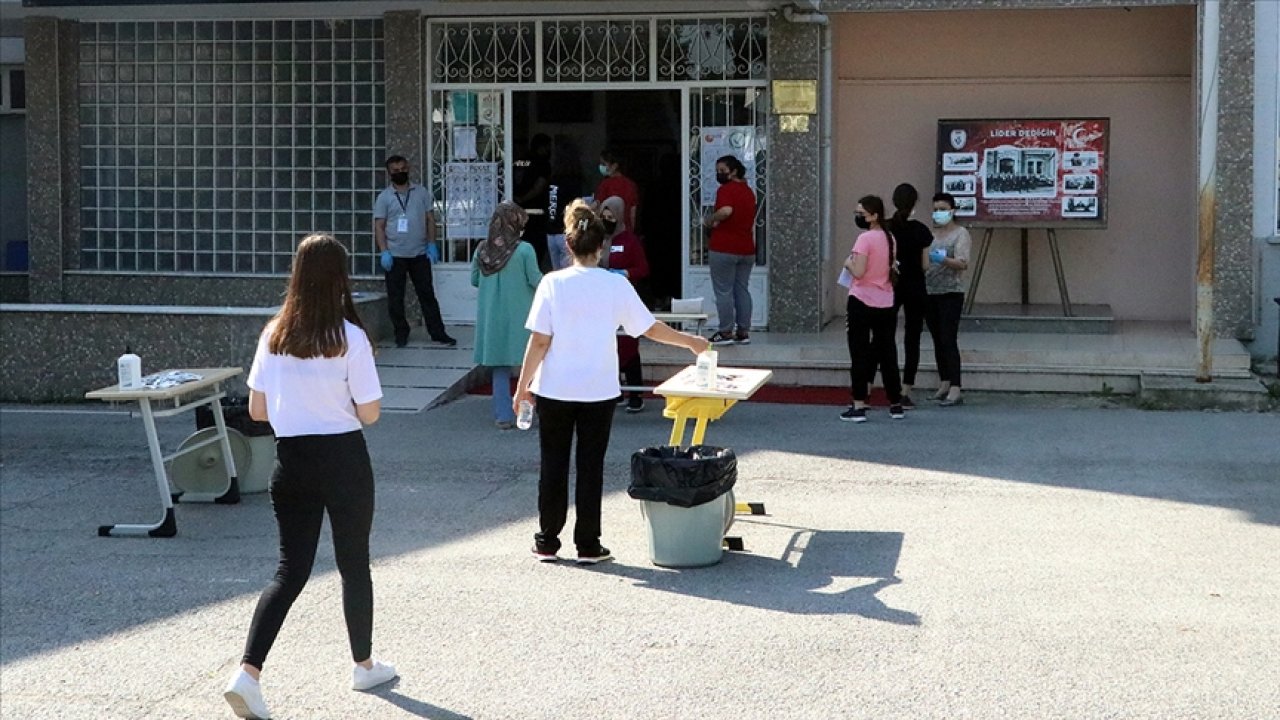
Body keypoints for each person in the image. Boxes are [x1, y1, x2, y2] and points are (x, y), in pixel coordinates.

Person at [224, 234, 395, 720]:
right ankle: (363, 665)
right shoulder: (350, 337)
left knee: (289, 570)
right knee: (353, 563)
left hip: (290, 461)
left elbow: (257, 409)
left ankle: (248, 672)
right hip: (343, 459)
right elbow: (371, 413)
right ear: (340, 280)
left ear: (296, 276)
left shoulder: (274, 333)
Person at [514, 200, 709, 564]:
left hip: (554, 387)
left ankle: (547, 539)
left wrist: (523, 384)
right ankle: (588, 543)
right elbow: (649, 327)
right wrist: (690, 342)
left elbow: (539, 340)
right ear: (601, 247)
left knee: (552, 464)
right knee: (591, 466)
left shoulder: (552, 283)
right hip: (599, 389)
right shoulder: (614, 284)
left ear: (568, 246)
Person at [472, 203, 543, 429]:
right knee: (529, 366)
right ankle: (527, 411)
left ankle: (503, 415)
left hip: (492, 318)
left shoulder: (482, 250)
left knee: (499, 368)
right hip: (521, 316)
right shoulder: (524, 250)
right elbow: (535, 280)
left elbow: (474, 280)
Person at [373, 155, 456, 348]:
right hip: (395, 255)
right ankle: (401, 333)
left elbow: (429, 219)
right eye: (395, 170)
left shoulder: (421, 193)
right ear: (389, 173)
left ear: (408, 168)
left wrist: (432, 244)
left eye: (402, 168)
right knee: (396, 298)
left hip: (419, 254)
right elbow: (379, 226)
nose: (400, 172)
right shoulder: (384, 197)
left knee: (427, 294)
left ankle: (438, 333)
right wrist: (384, 251)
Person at [840, 195, 905, 424]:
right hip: (885, 300)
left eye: (862, 213)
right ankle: (895, 402)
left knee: (859, 353)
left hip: (861, 299)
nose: (859, 217)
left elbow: (858, 272)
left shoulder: (864, 238)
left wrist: (847, 262)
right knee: (887, 352)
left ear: (874, 215)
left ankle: (859, 403)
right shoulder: (890, 238)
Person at [599, 195, 651, 413]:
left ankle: (636, 393)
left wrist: (625, 273)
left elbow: (643, 268)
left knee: (629, 344)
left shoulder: (629, 240)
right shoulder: (597, 238)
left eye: (611, 217)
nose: (608, 220)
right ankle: (615, 390)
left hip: (625, 297)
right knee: (608, 345)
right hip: (603, 299)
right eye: (604, 216)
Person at [884, 183, 933, 409]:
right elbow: (924, 265)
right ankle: (905, 390)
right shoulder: (922, 231)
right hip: (915, 287)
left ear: (894, 201)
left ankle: (889, 386)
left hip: (890, 285)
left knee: (885, 336)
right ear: (915, 203)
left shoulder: (885, 228)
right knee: (912, 339)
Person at [704, 154, 757, 346]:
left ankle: (725, 331)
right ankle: (743, 331)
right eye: (717, 171)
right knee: (742, 289)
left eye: (722, 170)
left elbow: (726, 211)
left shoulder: (726, 190)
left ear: (733, 171)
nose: (719, 174)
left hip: (724, 247)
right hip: (746, 248)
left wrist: (709, 220)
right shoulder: (748, 191)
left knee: (724, 291)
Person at [925, 192, 971, 406]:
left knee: (948, 338)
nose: (938, 213)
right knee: (936, 339)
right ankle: (944, 381)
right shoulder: (931, 234)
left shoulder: (960, 234)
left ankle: (956, 386)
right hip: (930, 291)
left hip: (951, 292)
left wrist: (943, 260)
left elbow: (963, 263)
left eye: (943, 209)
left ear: (952, 211)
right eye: (935, 209)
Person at [514, 134, 552, 270]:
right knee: (536, 248)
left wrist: (517, 199)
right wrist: (524, 198)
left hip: (518, 211)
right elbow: (539, 187)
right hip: (536, 212)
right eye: (548, 146)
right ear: (542, 147)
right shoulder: (543, 164)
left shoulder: (519, 161)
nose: (549, 150)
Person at [547, 135, 585, 271]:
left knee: (557, 276)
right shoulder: (574, 180)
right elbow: (577, 208)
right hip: (566, 233)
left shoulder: (553, 179)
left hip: (551, 233)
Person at [594, 148, 639, 233]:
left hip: (609, 232)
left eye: (603, 164)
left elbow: (597, 207)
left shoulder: (605, 184)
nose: (601, 166)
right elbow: (633, 213)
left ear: (614, 166)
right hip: (626, 231)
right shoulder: (631, 185)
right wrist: (631, 234)